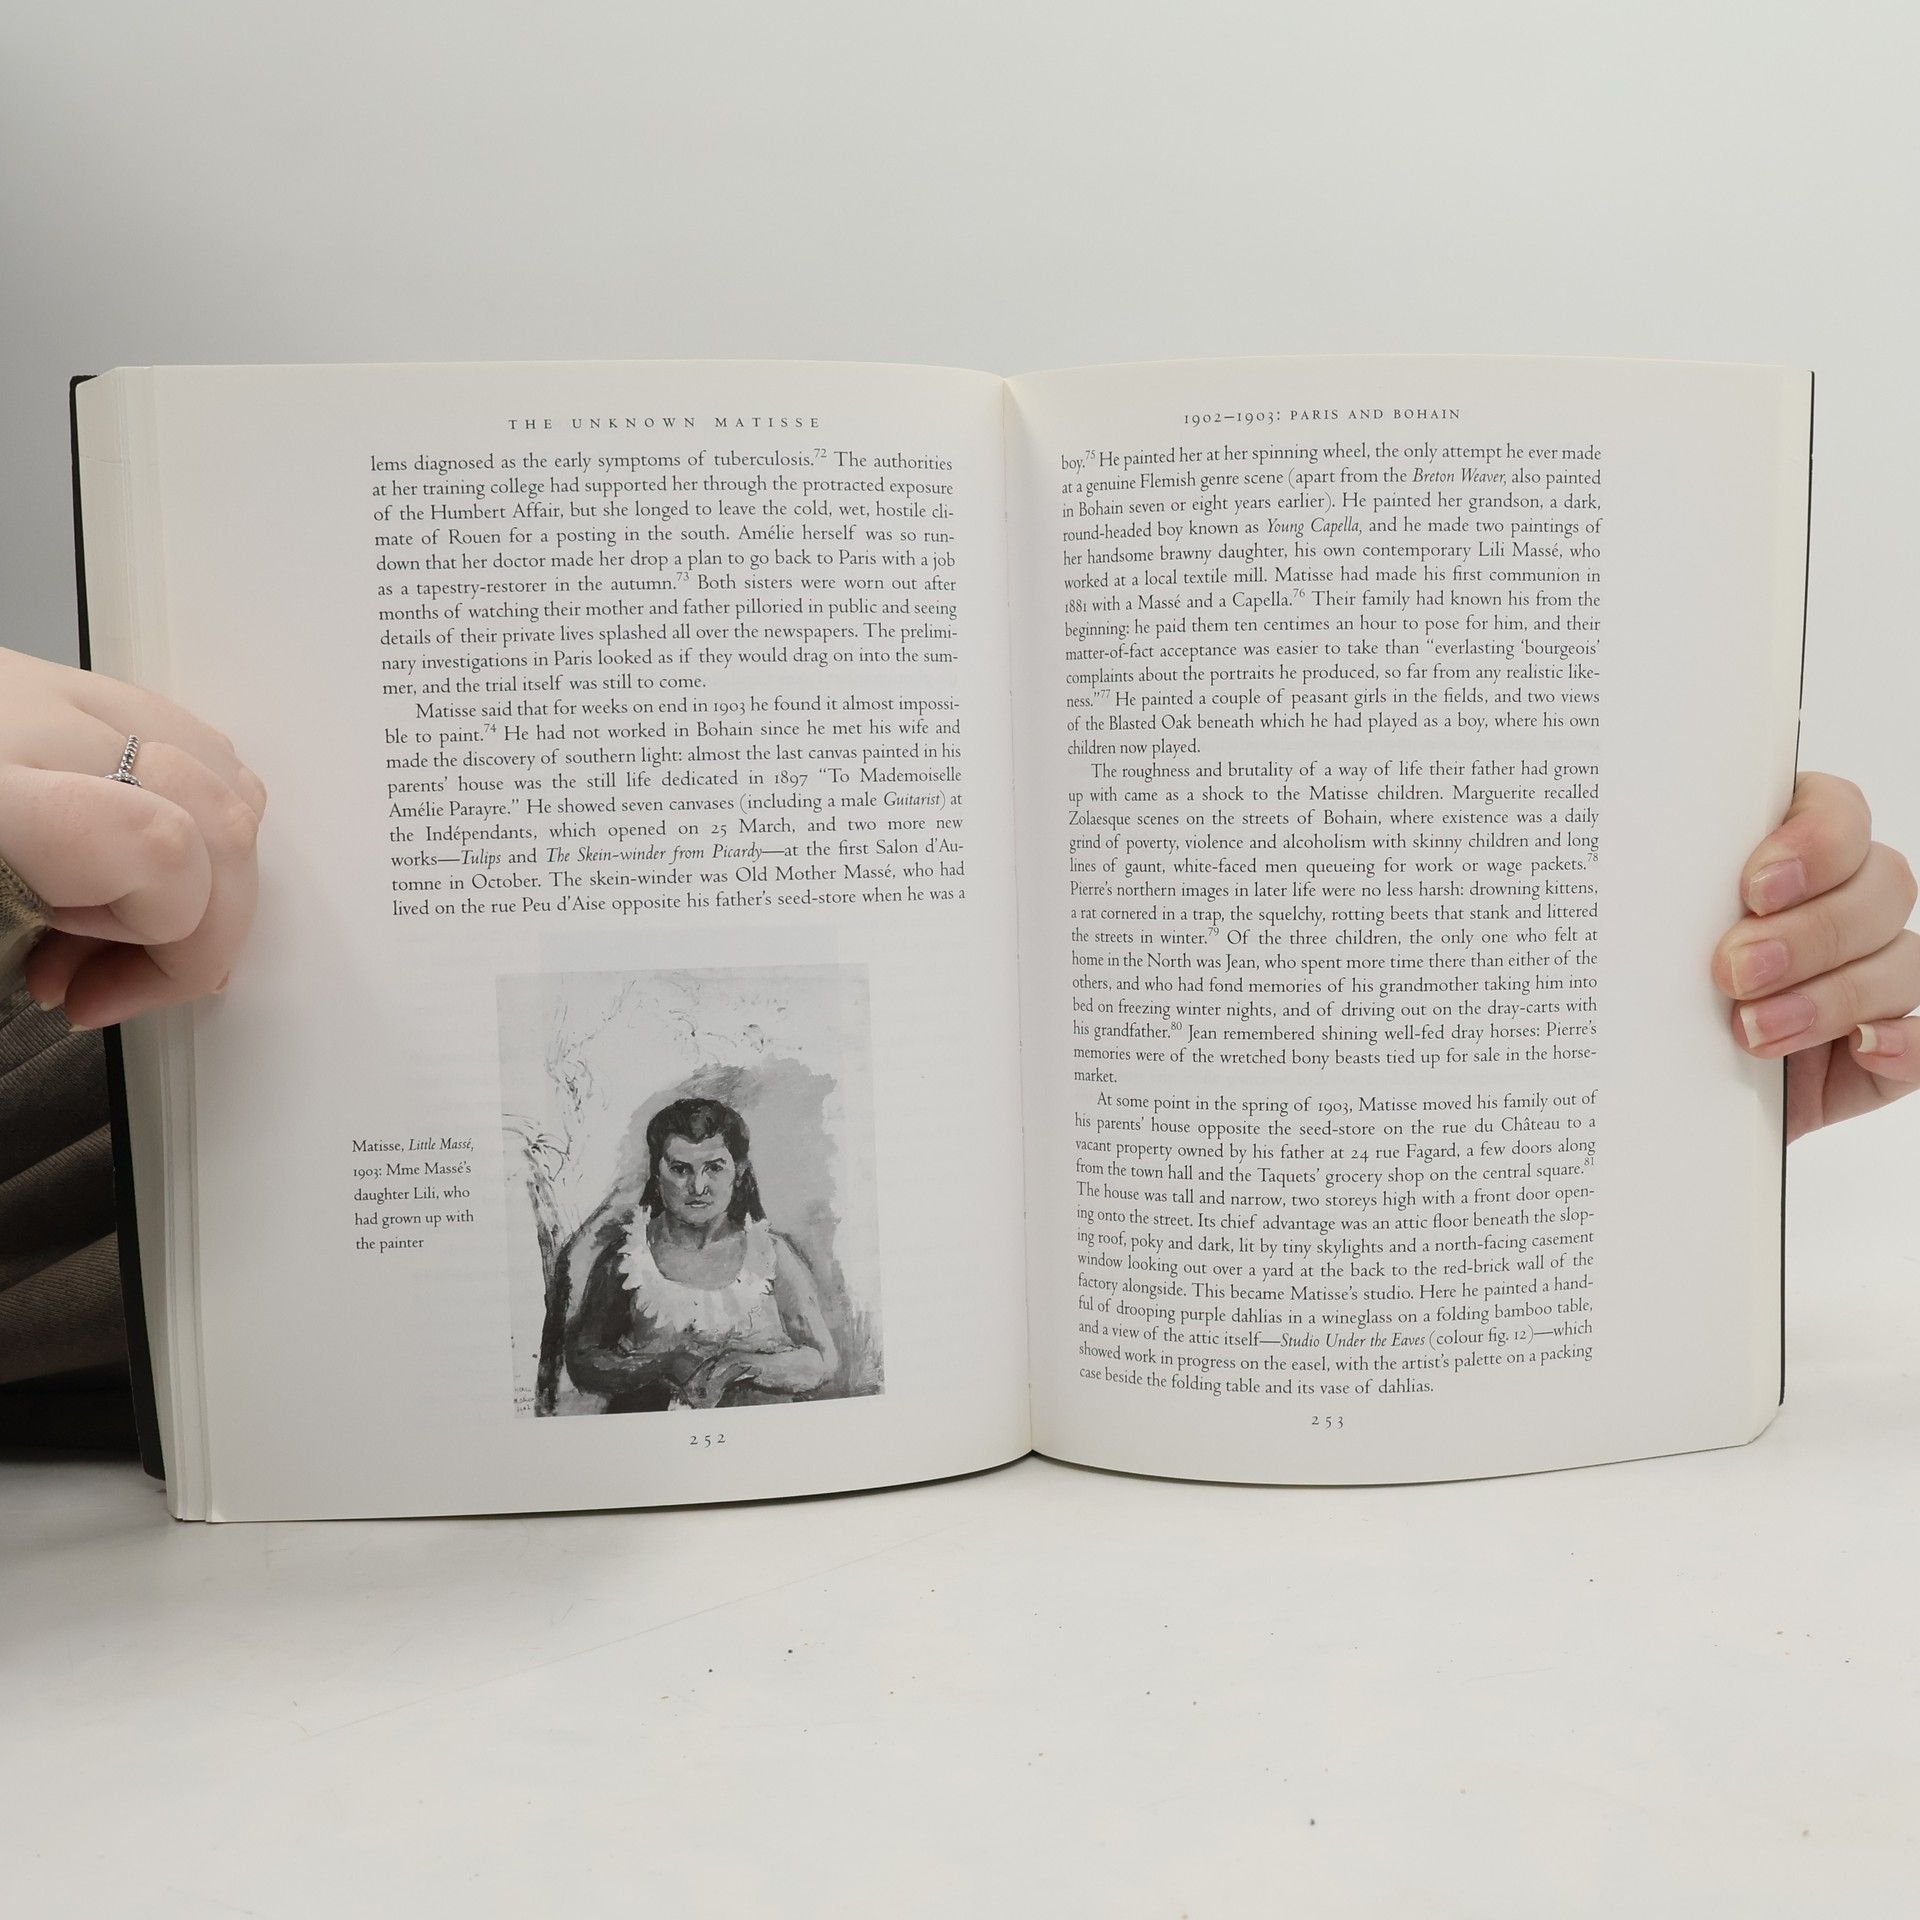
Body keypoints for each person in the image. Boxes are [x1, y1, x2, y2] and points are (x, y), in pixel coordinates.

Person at [0, 648, 1916, 1427]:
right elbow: (562, 1357)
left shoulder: (789, 1257)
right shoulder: (589, 1244)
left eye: (711, 1153)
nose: (695, 1175)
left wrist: (1574, 1096)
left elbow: (831, 1349)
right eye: (678, 1153)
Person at [559, 1096, 839, 1413]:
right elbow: (584, 1360)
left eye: (714, 1168)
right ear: (657, 1175)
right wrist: (662, 1363)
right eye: (680, 1169)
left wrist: (740, 1364)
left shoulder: (770, 1254)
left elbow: (823, 1360)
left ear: (739, 1172)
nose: (698, 1186)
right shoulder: (629, 1256)